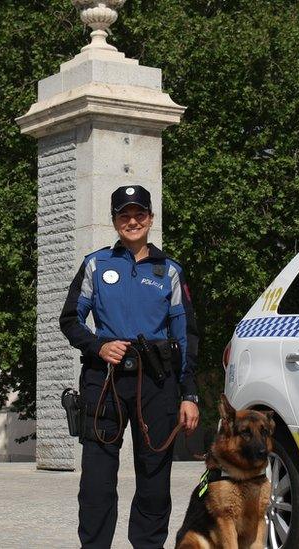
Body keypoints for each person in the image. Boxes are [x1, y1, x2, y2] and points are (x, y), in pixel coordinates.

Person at [60, 185, 200, 548]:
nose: (132, 221)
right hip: (103, 381)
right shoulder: (96, 263)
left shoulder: (169, 270)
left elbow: (186, 336)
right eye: (125, 215)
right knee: (96, 481)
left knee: (154, 479)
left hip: (156, 382)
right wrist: (98, 345)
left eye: (140, 214)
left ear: (151, 219)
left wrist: (189, 394)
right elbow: (70, 320)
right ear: (115, 221)